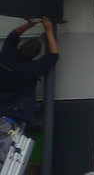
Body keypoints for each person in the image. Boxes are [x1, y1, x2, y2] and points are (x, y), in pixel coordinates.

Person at [0, 17, 59, 163]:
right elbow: (52, 56)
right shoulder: (29, 70)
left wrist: (28, 25)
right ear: (35, 55)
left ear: (20, 47)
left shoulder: (5, 57)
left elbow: (13, 35)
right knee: (4, 158)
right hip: (9, 119)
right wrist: (49, 30)